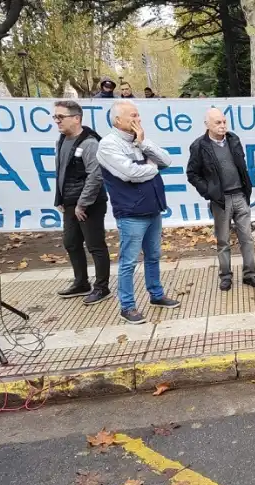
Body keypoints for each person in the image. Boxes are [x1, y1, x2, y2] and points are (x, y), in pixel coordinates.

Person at [96, 101, 180, 324]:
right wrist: (152, 169)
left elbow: (167, 160)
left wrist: (143, 145)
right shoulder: (107, 145)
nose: (138, 120)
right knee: (128, 262)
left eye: (138, 115)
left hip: (152, 209)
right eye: (133, 116)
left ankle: (156, 294)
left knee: (153, 256)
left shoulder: (139, 139)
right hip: (130, 213)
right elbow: (130, 173)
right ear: (118, 120)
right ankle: (128, 306)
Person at [187, 108, 255, 292]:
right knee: (223, 240)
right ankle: (226, 276)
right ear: (207, 124)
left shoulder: (233, 139)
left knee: (247, 238)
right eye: (217, 123)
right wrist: (209, 192)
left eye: (224, 122)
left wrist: (246, 189)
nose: (222, 126)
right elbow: (192, 173)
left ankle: (250, 274)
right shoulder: (199, 146)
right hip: (220, 200)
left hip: (240, 195)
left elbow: (241, 165)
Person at [52, 100, 110, 305]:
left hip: (89, 204)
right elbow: (62, 172)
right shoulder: (61, 140)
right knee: (71, 242)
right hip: (69, 203)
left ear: (76, 118)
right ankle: (81, 282)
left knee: (95, 245)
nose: (57, 121)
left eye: (61, 117)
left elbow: (95, 176)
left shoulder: (90, 143)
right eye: (55, 117)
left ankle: (102, 287)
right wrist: (60, 199)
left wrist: (82, 204)